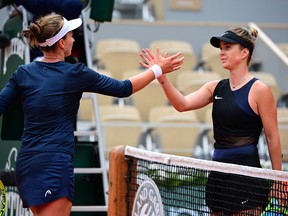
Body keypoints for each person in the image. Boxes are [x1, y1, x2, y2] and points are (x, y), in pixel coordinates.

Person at [0, 14, 184, 215]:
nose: (73, 39)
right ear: (61, 43)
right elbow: (123, 88)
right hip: (53, 164)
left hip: (27, 165)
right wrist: (157, 69)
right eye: (70, 35)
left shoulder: (23, 72)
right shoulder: (75, 73)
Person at [140, 27, 283, 215]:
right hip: (217, 176)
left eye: (227, 47)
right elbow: (181, 104)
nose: (221, 52)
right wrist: (161, 76)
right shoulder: (214, 87)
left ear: (244, 53)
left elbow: (272, 137)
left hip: (247, 176)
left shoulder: (260, 90)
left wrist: (278, 180)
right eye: (221, 48)